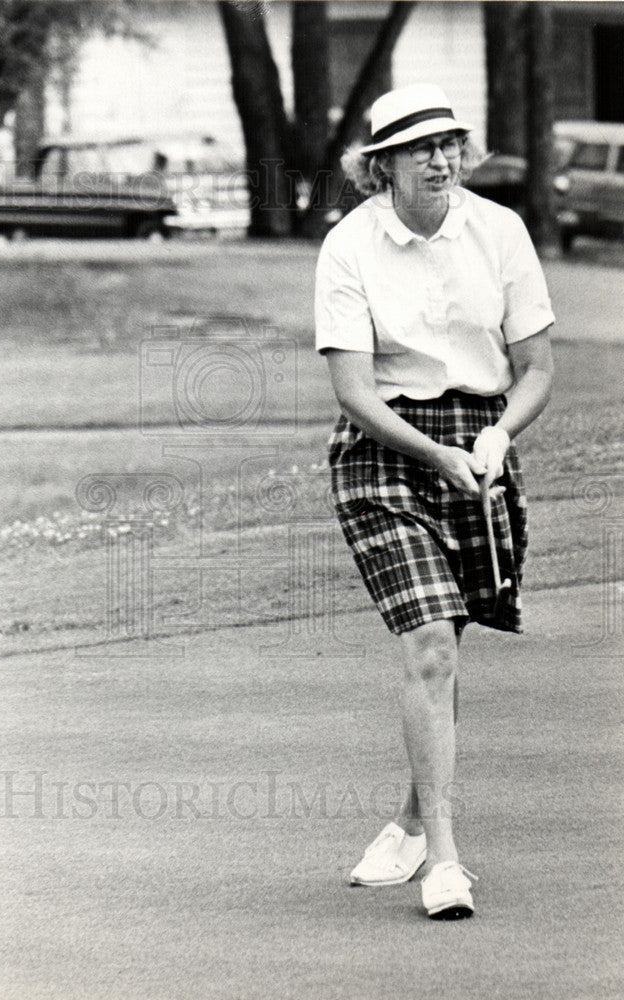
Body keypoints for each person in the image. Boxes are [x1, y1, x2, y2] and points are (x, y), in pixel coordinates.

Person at [315, 83, 555, 919]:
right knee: (426, 642)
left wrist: (496, 439)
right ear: (380, 166)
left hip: (481, 442)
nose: (440, 160)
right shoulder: (349, 245)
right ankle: (444, 862)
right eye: (419, 149)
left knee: (445, 647)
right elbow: (353, 392)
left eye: (449, 144)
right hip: (384, 450)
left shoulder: (500, 231)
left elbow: (538, 369)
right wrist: (435, 453)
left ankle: (413, 819)